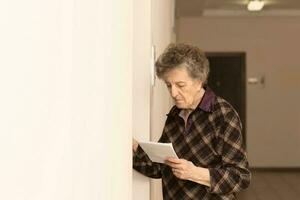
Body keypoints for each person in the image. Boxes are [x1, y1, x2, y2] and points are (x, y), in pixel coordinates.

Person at [132, 43, 251, 199]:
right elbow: (158, 169)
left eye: (180, 85)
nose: (173, 93)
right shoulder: (175, 114)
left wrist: (195, 173)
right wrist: (132, 148)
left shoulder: (224, 116)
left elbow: (240, 177)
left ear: (199, 81)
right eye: (169, 85)